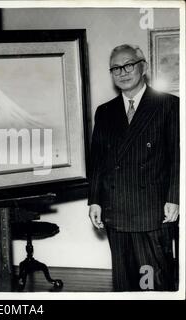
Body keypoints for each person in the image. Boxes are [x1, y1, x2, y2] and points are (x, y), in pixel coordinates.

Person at [88, 44, 179, 291]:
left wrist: (174, 198)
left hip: (151, 210)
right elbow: (97, 161)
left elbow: (178, 157)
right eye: (116, 68)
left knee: (151, 280)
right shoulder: (105, 112)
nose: (122, 72)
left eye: (128, 65)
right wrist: (94, 200)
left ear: (143, 67)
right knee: (124, 281)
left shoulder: (169, 106)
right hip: (115, 210)